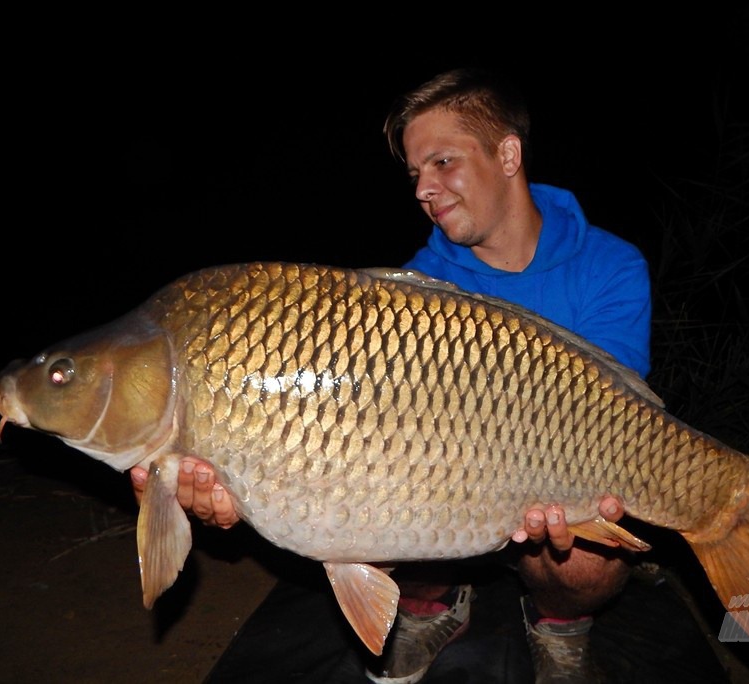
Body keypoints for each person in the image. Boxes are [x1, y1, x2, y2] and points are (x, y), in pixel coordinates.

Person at [131, 68, 652, 683]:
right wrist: (241, 487)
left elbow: (617, 412)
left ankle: (561, 624)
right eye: (415, 175)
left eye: (442, 163)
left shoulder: (611, 267)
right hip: (459, 499)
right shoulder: (410, 298)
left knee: (585, 568)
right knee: (382, 482)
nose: (423, 190)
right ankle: (433, 602)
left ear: (508, 154)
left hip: (557, 484)